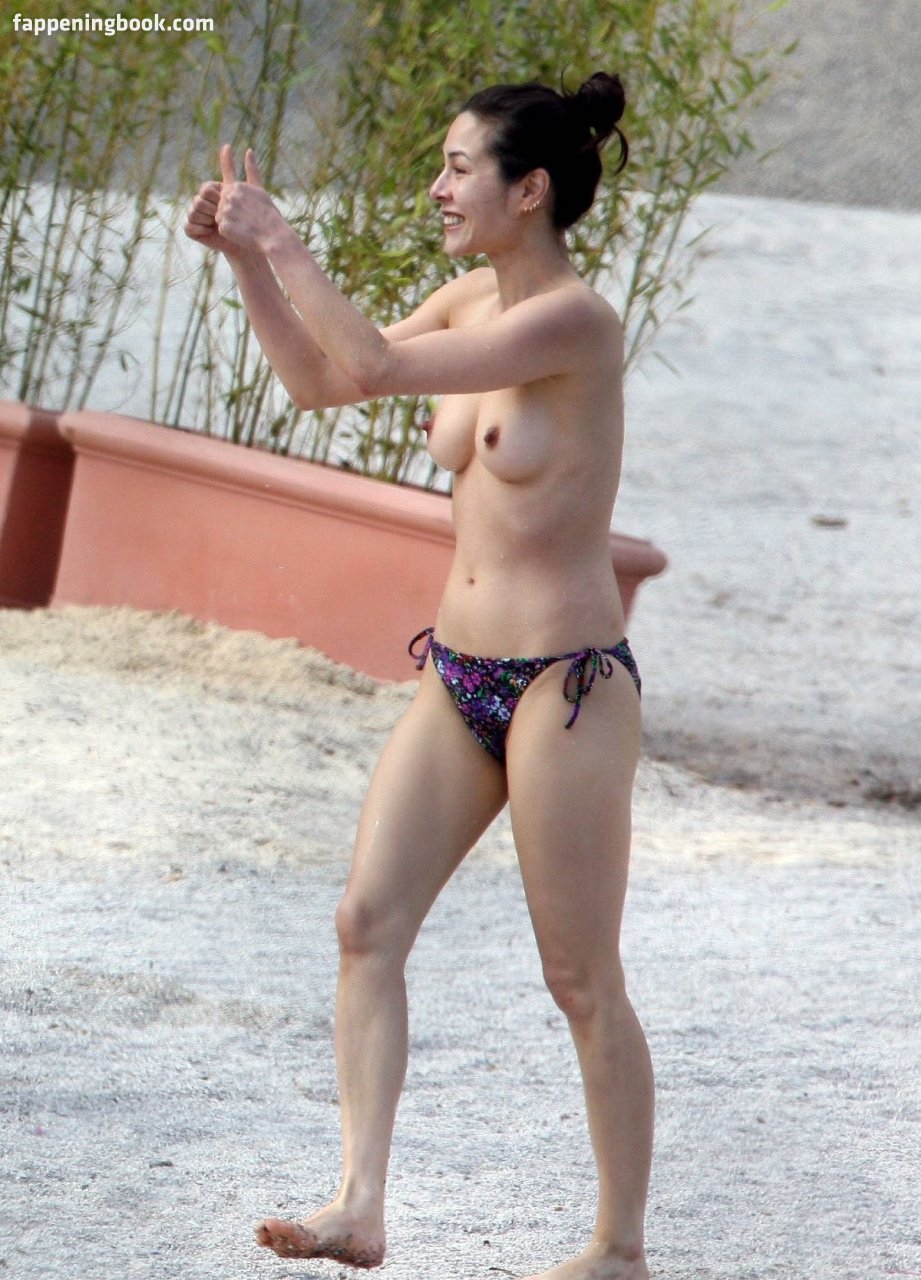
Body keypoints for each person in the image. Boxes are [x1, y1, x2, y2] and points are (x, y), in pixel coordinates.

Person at [185, 71, 654, 1280]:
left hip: (565, 685)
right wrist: (247, 264)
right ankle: (359, 1204)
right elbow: (326, 379)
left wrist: (283, 236)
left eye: (458, 168)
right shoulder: (467, 298)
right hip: (461, 674)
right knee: (366, 922)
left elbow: (378, 365)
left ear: (528, 189)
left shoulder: (576, 323)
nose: (438, 188)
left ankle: (617, 1246)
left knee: (579, 976)